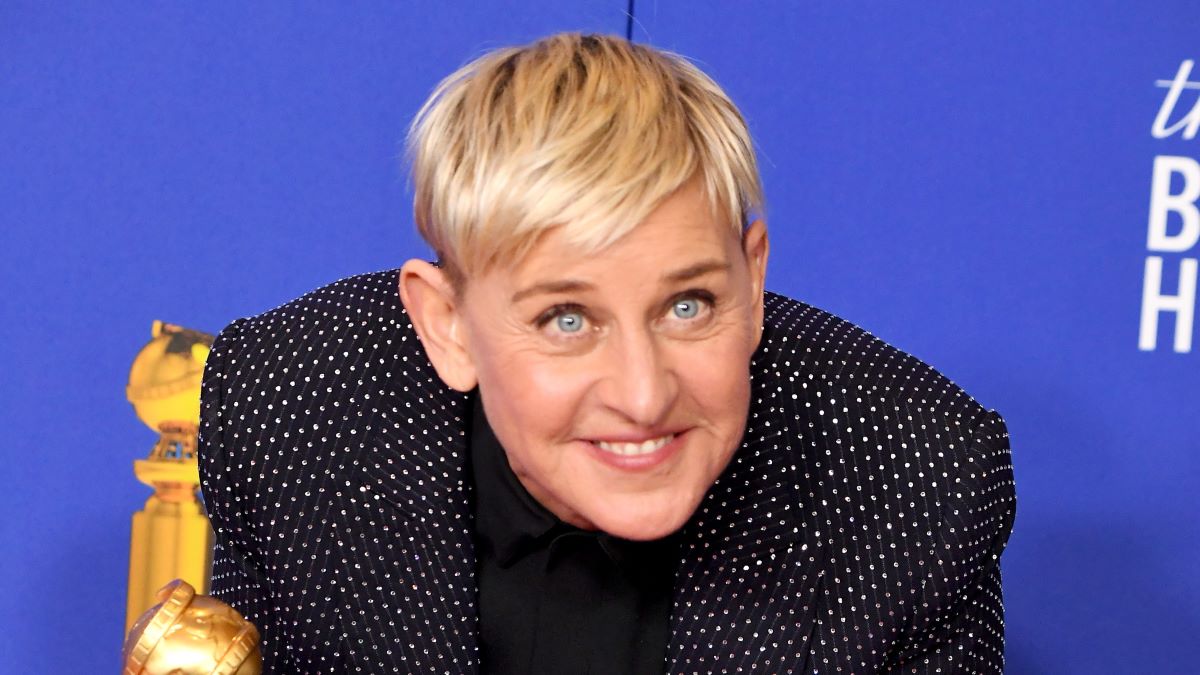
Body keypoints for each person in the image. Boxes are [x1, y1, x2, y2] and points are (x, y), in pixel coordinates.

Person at [199, 33, 1016, 674]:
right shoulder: (290, 413)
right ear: (447, 324)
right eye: (566, 319)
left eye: (688, 306)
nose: (642, 393)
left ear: (754, 277)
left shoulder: (918, 481)